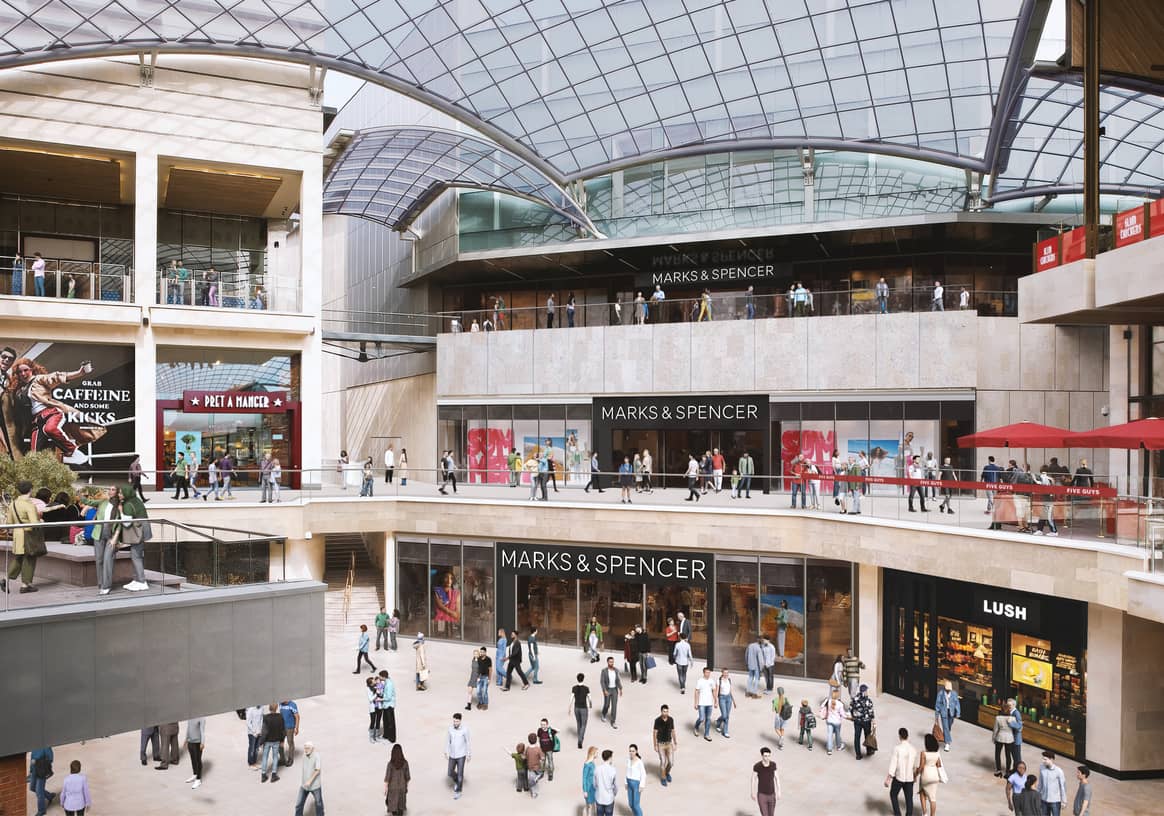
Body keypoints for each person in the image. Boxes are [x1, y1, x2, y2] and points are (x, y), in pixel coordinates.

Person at [4, 480, 44, 594]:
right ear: (31, 490)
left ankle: (6, 579)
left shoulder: (13, 503)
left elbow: (10, 522)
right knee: (30, 558)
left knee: (19, 559)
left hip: (17, 535)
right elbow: (34, 523)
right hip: (28, 535)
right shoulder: (29, 505)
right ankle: (25, 585)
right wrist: (41, 521)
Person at [885, 727, 919, 816]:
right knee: (909, 799)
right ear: (907, 736)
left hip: (899, 777)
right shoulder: (913, 749)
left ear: (900, 736)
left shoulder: (897, 748)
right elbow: (915, 766)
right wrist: (915, 777)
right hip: (909, 778)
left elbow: (893, 764)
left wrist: (888, 778)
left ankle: (897, 814)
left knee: (893, 794)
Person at [916, 732, 944, 816]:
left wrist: (916, 773)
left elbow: (921, 766)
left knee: (922, 792)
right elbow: (938, 765)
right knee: (933, 798)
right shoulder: (937, 754)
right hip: (934, 776)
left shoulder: (923, 753)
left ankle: (924, 813)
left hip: (926, 775)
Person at [445, 713, 471, 800]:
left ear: (460, 721)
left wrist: (468, 754)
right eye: (454, 721)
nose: (455, 723)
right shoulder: (450, 729)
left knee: (460, 774)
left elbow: (468, 742)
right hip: (452, 754)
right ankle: (457, 781)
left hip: (461, 755)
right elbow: (448, 741)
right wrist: (446, 751)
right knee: (449, 772)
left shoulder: (465, 730)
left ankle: (458, 791)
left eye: (456, 721)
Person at [292, 742, 323, 816]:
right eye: (305, 748)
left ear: (312, 749)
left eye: (308, 748)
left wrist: (310, 781)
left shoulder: (316, 756)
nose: (306, 750)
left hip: (315, 786)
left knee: (319, 804)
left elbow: (317, 770)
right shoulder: (304, 756)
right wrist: (305, 782)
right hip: (304, 785)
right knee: (298, 805)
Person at [750, 746, 781, 816]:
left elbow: (777, 778)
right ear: (762, 756)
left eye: (769, 756)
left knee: (771, 814)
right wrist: (752, 792)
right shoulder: (757, 766)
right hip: (762, 795)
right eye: (765, 756)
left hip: (772, 795)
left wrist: (779, 791)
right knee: (765, 814)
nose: (767, 758)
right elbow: (753, 779)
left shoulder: (773, 765)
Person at [259, 703, 285, 783]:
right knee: (275, 757)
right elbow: (282, 730)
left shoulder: (266, 717)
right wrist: (282, 740)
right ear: (276, 708)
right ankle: (274, 775)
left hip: (267, 741)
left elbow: (264, 731)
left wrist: (261, 742)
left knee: (265, 757)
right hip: (276, 741)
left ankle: (263, 775)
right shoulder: (280, 717)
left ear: (269, 708)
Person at [652, 704, 677, 786]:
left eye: (667, 711)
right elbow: (655, 733)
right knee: (663, 761)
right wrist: (655, 744)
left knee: (671, 762)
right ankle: (663, 778)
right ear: (661, 711)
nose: (665, 713)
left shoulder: (671, 720)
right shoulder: (657, 720)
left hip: (669, 743)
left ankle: (666, 773)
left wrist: (675, 742)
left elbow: (673, 731)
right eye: (664, 711)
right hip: (661, 744)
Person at [820, 689, 848, 755]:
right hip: (837, 722)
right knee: (837, 734)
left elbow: (822, 706)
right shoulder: (840, 704)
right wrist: (848, 716)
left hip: (829, 720)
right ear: (838, 696)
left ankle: (829, 749)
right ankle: (839, 746)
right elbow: (843, 714)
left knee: (829, 734)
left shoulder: (829, 701)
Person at [1038, 751, 1067, 816]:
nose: (1043, 761)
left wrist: (1064, 801)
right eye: (1043, 759)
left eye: (1045, 759)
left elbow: (1062, 786)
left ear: (1051, 759)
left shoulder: (1059, 771)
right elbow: (1040, 783)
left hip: (1055, 801)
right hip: (1044, 800)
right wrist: (1037, 796)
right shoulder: (1041, 768)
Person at [851, 684, 876, 760]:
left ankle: (858, 755)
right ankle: (869, 751)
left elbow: (851, 708)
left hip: (857, 721)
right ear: (864, 691)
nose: (867, 692)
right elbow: (871, 712)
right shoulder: (868, 701)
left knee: (857, 737)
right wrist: (873, 721)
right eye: (866, 691)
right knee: (867, 736)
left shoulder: (855, 699)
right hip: (866, 721)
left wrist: (854, 716)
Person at [384, 744, 410, 816]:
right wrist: (406, 787)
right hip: (402, 787)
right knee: (401, 807)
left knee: (393, 807)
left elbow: (387, 778)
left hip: (393, 788)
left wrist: (386, 789)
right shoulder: (405, 763)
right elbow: (407, 777)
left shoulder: (390, 764)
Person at [934, 679, 959, 750]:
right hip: (944, 712)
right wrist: (936, 716)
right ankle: (947, 743)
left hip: (951, 712)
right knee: (945, 727)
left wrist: (958, 713)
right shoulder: (941, 694)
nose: (948, 691)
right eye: (947, 689)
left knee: (948, 727)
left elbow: (957, 704)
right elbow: (937, 704)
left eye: (949, 689)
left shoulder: (954, 694)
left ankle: (946, 735)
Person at [993, 703, 1017, 778]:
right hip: (1009, 738)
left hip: (1000, 737)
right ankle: (1007, 772)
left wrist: (994, 738)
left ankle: (998, 771)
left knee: (997, 754)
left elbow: (995, 729)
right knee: (1008, 755)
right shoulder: (1013, 718)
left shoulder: (998, 718)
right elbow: (1014, 729)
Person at [28, 746, 54, 815]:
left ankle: (41, 810)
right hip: (34, 771)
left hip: (41, 771)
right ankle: (49, 796)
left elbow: (50, 759)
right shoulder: (34, 745)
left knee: (39, 792)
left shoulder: (46, 746)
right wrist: (30, 771)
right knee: (32, 788)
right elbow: (32, 758)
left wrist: (37, 761)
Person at [599, 655, 623, 729]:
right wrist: (604, 690)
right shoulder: (604, 671)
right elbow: (602, 681)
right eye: (610, 662)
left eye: (612, 662)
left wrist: (620, 688)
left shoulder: (616, 670)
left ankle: (613, 721)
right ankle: (603, 714)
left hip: (614, 690)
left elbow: (618, 680)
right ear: (607, 662)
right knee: (607, 705)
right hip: (607, 689)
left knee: (614, 706)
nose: (611, 663)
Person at [692, 666, 715, 740]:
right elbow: (696, 691)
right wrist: (696, 703)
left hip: (709, 703)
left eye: (709, 672)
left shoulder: (712, 681)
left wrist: (716, 700)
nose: (708, 674)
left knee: (708, 718)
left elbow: (714, 691)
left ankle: (707, 734)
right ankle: (696, 727)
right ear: (704, 673)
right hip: (701, 703)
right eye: (707, 672)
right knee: (702, 718)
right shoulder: (700, 681)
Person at [714, 668, 738, 738]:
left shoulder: (729, 680)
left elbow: (730, 691)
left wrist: (734, 701)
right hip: (722, 698)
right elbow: (716, 691)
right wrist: (716, 701)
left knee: (727, 716)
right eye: (725, 673)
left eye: (727, 673)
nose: (726, 674)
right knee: (724, 715)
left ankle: (725, 731)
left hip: (729, 698)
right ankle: (718, 722)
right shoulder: (719, 681)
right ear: (722, 673)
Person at [570, 672, 592, 748]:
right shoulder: (586, 688)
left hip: (576, 707)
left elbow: (571, 698)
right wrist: (590, 704)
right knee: (583, 724)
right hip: (583, 708)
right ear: (583, 679)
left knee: (578, 723)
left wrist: (569, 707)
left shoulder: (574, 688)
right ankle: (580, 740)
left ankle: (580, 737)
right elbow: (589, 698)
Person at [594, 749, 618, 816]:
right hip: (609, 798)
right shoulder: (613, 770)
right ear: (610, 758)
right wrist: (614, 794)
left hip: (599, 797)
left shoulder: (597, 769)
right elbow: (615, 786)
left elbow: (594, 784)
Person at [184, 717, 206, 789]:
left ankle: (198, 779)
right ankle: (194, 774)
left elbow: (202, 731)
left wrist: (202, 743)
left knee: (198, 760)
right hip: (190, 741)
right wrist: (186, 739)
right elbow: (188, 728)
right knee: (193, 759)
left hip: (197, 742)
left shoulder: (202, 718)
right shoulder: (190, 716)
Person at [625, 744, 646, 816]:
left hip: (636, 784)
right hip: (629, 783)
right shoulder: (628, 760)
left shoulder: (639, 762)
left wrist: (642, 785)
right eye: (630, 751)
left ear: (636, 751)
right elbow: (627, 771)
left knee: (636, 804)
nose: (631, 752)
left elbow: (643, 774)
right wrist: (626, 782)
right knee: (631, 804)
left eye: (633, 751)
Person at [279, 700, 301, 767]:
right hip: (282, 727)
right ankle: (282, 759)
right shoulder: (280, 703)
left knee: (290, 742)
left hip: (290, 727)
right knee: (280, 742)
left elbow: (297, 717)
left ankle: (290, 759)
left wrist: (296, 728)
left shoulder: (292, 705)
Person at [523, 732, 545, 798]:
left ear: (528, 740)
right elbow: (542, 758)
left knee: (531, 780)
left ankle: (533, 793)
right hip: (537, 766)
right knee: (541, 773)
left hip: (530, 767)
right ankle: (537, 776)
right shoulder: (538, 749)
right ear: (536, 740)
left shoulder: (527, 749)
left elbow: (524, 757)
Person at [379, 670, 397, 742]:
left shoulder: (389, 684)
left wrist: (381, 699)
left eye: (380, 676)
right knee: (385, 721)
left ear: (383, 676)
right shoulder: (386, 682)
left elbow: (388, 697)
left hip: (389, 705)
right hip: (386, 705)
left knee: (390, 722)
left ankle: (392, 738)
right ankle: (386, 735)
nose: (379, 677)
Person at [245, 705, 264, 769]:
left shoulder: (262, 707)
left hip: (259, 732)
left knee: (256, 748)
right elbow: (248, 722)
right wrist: (254, 732)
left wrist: (260, 730)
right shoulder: (251, 709)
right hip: (252, 733)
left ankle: (255, 762)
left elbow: (261, 719)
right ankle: (251, 763)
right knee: (252, 748)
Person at [582, 746, 598, 816]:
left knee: (593, 806)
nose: (597, 754)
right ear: (593, 753)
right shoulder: (587, 764)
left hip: (593, 788)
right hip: (589, 788)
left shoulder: (592, 763)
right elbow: (584, 778)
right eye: (597, 753)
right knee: (589, 806)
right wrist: (585, 790)